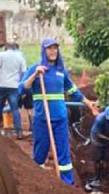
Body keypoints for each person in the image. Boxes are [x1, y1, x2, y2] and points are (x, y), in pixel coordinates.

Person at [22, 37, 99, 184]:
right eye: (49, 48)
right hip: (42, 119)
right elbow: (22, 88)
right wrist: (34, 75)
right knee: (40, 153)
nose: (53, 51)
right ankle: (38, 183)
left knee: (64, 154)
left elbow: (73, 90)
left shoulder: (61, 71)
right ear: (44, 51)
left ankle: (67, 184)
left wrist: (88, 103)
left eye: (55, 48)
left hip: (60, 118)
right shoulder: (36, 68)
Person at [0, 41, 27, 137]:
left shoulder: (2, 55)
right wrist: (21, 84)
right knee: (15, 109)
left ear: (6, 47)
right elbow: (24, 72)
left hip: (1, 85)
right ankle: (19, 132)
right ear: (15, 48)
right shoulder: (20, 57)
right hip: (14, 87)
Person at [85, 106, 109, 192]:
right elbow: (98, 134)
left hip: (106, 140)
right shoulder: (99, 120)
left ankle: (104, 176)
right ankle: (96, 176)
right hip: (97, 140)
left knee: (106, 159)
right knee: (97, 160)